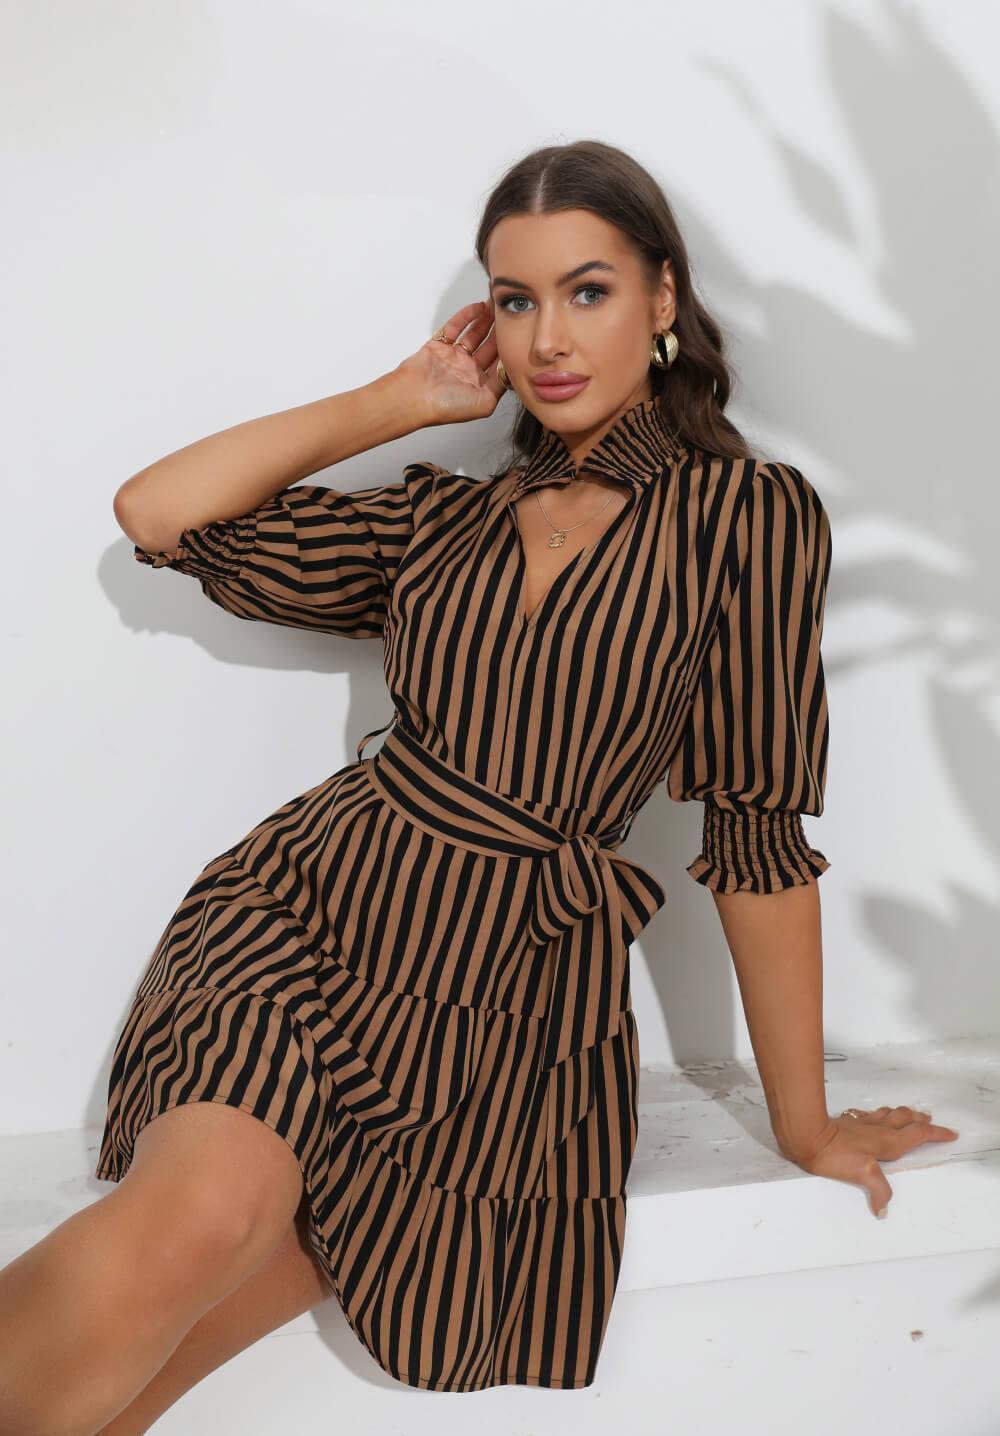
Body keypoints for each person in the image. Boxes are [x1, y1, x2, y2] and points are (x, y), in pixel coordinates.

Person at [0, 139, 959, 1432]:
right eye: (515, 300)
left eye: (587, 291)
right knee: (203, 1214)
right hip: (313, 916)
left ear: (663, 298)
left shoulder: (748, 516)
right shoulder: (440, 519)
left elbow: (757, 835)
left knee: (155, 1360)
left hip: (504, 998)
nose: (547, 338)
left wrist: (806, 1125)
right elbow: (158, 512)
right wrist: (401, 399)